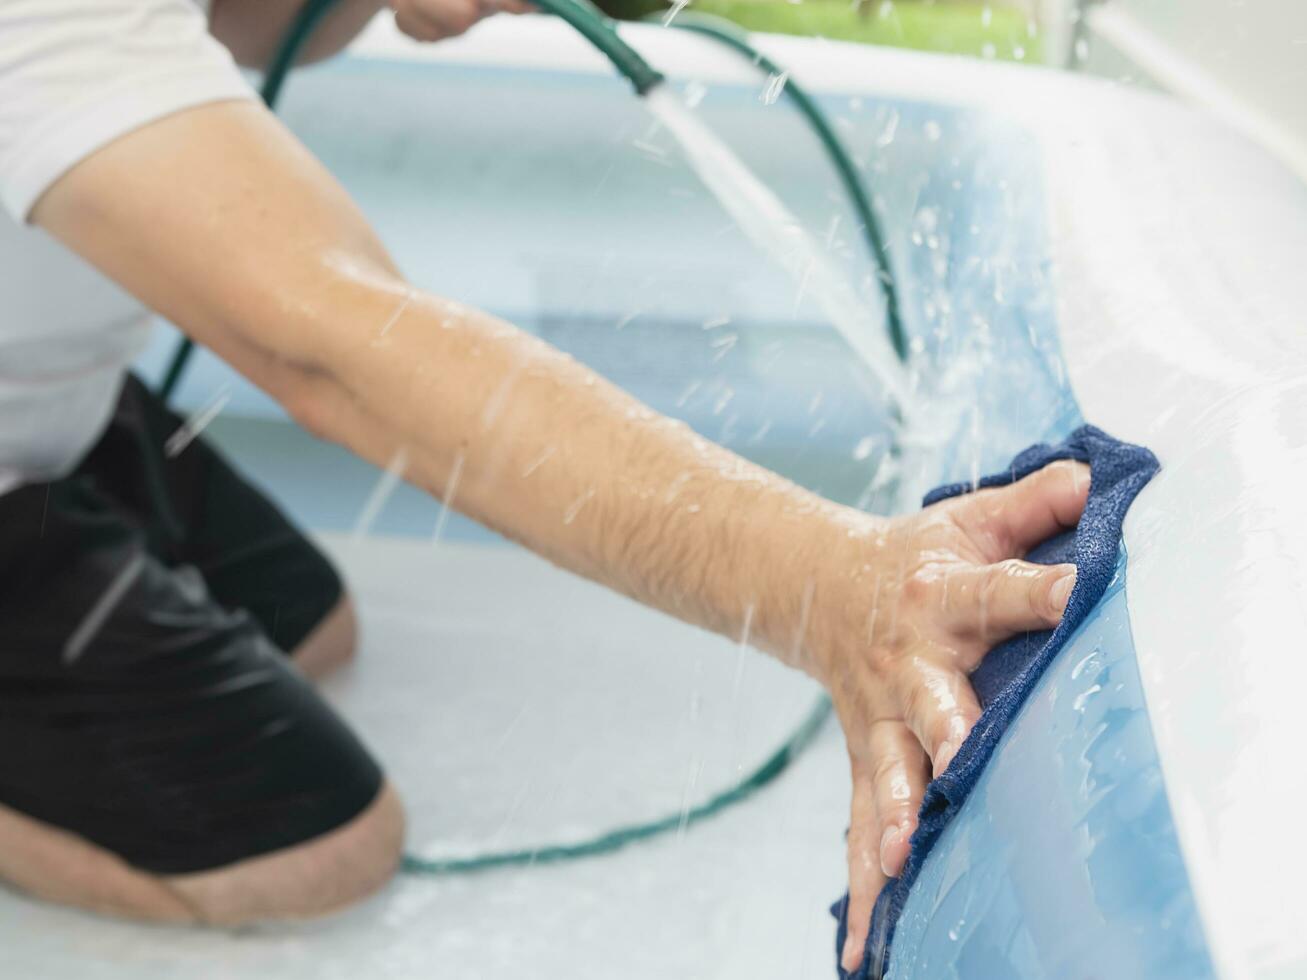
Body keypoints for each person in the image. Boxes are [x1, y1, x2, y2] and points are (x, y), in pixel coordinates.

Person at [0, 0, 1086, 972]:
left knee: (311, 627)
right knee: (312, 850)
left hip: (56, 393)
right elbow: (334, 343)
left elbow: (233, 26)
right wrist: (838, 588)